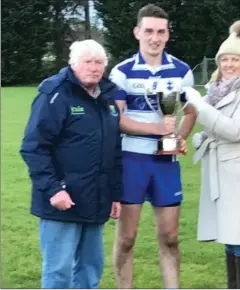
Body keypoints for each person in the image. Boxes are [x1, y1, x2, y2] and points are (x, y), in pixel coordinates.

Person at [20, 39, 122, 289]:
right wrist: (54, 189)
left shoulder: (107, 98)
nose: (94, 67)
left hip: (96, 199)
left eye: (99, 62)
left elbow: (114, 152)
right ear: (73, 64)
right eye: (88, 61)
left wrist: (115, 194)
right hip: (62, 201)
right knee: (59, 272)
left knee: (90, 269)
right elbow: (34, 147)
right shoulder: (55, 94)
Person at [108, 4, 196, 289]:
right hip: (131, 161)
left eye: (160, 31)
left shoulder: (181, 70)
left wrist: (178, 137)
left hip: (165, 165)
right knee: (127, 238)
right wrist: (156, 129)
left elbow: (192, 110)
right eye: (148, 31)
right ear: (137, 32)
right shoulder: (122, 72)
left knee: (170, 237)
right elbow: (118, 120)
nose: (154, 38)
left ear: (168, 34)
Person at [183, 20, 240, 289]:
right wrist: (201, 137)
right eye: (224, 59)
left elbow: (236, 130)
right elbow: (214, 127)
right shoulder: (216, 90)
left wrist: (198, 105)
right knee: (230, 241)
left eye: (235, 59)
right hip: (221, 171)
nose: (228, 65)